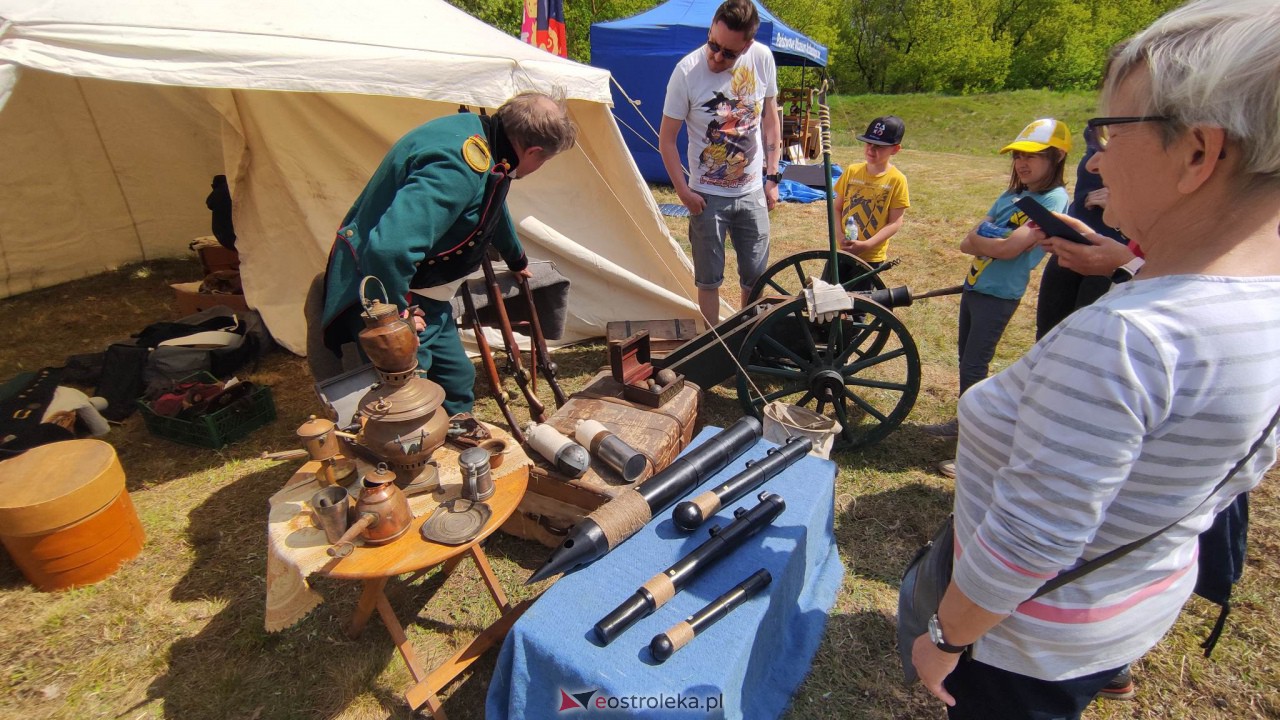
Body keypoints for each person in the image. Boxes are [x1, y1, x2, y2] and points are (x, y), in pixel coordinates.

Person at [909, 2, 1280, 718]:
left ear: (1199, 154)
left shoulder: (1125, 342)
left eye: (1110, 129)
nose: (1099, 157)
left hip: (1024, 645)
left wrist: (944, 637)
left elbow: (1031, 536)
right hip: (1129, 608)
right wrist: (1128, 263)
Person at [320, 91, 577, 416]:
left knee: (457, 379)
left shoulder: (488, 141)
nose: (540, 167)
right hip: (394, 292)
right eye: (544, 161)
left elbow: (492, 205)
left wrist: (516, 258)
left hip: (430, 297)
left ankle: (462, 440)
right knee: (409, 397)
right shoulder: (459, 167)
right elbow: (388, 250)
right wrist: (399, 316)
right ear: (534, 151)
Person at [924, 119, 1070, 458]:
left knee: (976, 364)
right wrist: (994, 238)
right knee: (966, 361)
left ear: (1057, 158)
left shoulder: (1053, 200)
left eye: (1033, 156)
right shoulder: (1012, 196)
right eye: (1018, 155)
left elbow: (1010, 249)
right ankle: (965, 421)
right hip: (976, 284)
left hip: (1000, 292)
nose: (1022, 162)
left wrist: (990, 237)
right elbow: (966, 242)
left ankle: (973, 440)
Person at [659, 0, 782, 327]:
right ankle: (714, 343)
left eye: (728, 53)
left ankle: (746, 336)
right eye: (713, 44)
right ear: (711, 28)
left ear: (748, 45)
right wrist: (683, 192)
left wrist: (773, 176)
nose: (716, 56)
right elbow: (666, 140)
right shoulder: (686, 72)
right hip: (706, 197)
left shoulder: (762, 60)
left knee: (755, 276)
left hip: (753, 191)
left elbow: (770, 118)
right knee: (709, 278)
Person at [833, 115, 911, 271]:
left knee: (862, 295)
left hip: (870, 258)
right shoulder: (852, 171)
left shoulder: (897, 180)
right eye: (869, 143)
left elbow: (895, 222)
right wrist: (839, 236)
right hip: (841, 251)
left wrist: (866, 245)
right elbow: (836, 208)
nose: (871, 149)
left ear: (895, 149)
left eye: (879, 146)